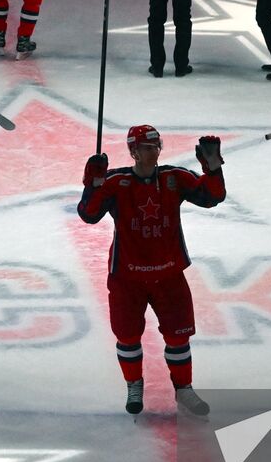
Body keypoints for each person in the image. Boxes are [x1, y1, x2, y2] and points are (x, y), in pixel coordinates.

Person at [77, 126, 225, 417]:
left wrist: (213, 166)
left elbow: (213, 197)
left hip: (169, 274)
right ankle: (134, 384)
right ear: (133, 151)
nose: (153, 151)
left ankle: (184, 389)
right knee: (128, 335)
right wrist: (91, 182)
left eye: (156, 146)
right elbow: (88, 214)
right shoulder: (115, 181)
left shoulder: (174, 177)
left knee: (178, 336)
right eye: (147, 147)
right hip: (127, 277)